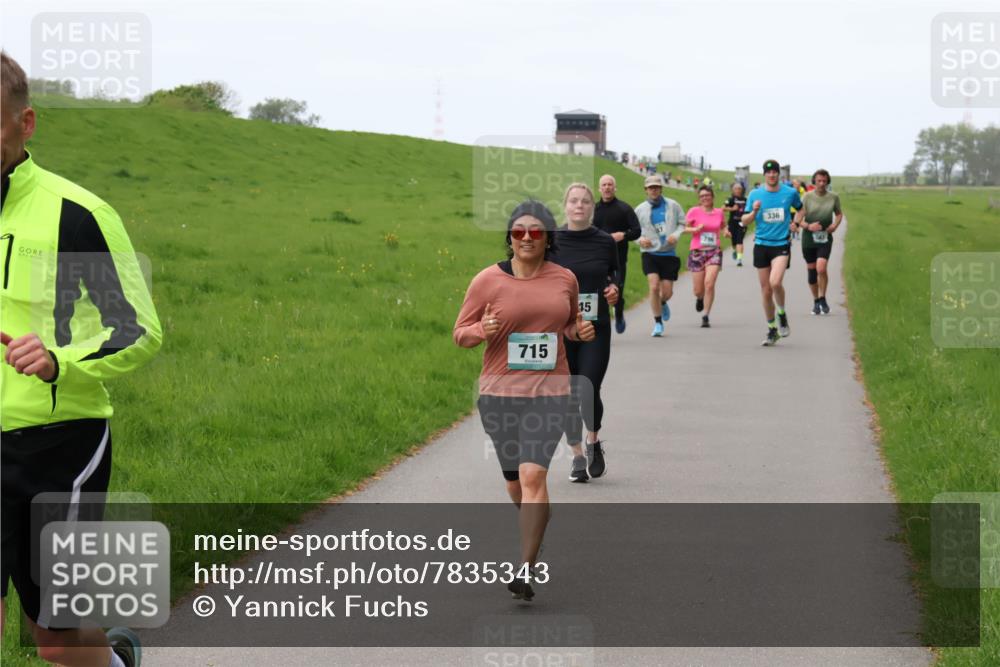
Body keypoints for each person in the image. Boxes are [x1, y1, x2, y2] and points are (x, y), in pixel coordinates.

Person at [1, 51, 161, 667]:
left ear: (26, 123)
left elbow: (139, 331)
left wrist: (61, 360)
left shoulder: (79, 215)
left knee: (56, 635)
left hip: (58, 445)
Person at [454, 200, 595, 600]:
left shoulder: (564, 278)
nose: (528, 238)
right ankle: (536, 525)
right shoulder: (487, 281)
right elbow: (459, 334)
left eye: (536, 231)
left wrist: (577, 333)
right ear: (510, 237)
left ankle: (526, 568)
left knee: (535, 476)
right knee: (515, 482)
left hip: (550, 391)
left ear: (548, 236)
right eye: (519, 232)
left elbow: (570, 324)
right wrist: (482, 328)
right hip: (498, 394)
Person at [552, 183, 619, 483]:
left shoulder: (605, 242)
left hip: (595, 327)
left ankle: (593, 441)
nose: (579, 205)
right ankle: (578, 456)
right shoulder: (552, 241)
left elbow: (614, 276)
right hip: (559, 329)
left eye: (585, 202)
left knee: (588, 388)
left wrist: (615, 290)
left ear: (592, 207)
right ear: (565, 206)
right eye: (574, 201)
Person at [741, 159, 802, 346]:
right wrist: (754, 212)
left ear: (779, 174)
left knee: (775, 282)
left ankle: (782, 314)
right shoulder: (755, 194)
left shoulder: (790, 192)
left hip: (781, 244)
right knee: (766, 290)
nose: (772, 175)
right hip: (761, 245)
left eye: (775, 172)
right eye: (768, 172)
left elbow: (801, 209)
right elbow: (744, 220)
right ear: (764, 175)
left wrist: (796, 223)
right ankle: (772, 329)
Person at [635, 176, 685, 337]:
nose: (654, 190)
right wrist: (640, 240)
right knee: (654, 286)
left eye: (656, 187)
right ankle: (657, 323)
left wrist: (676, 235)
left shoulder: (673, 205)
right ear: (646, 190)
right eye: (650, 187)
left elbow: (682, 224)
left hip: (668, 253)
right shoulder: (640, 209)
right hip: (650, 254)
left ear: (661, 189)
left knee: (668, 292)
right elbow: (633, 231)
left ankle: (663, 302)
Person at [593, 174, 641, 334]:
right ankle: (601, 328)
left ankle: (619, 312)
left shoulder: (624, 208)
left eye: (610, 184)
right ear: (599, 189)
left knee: (616, 293)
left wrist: (623, 235)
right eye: (604, 185)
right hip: (597, 260)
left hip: (618, 261)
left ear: (615, 188)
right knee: (599, 295)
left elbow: (637, 231)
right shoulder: (593, 210)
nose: (607, 187)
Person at [794, 169, 843, 315]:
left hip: (825, 237)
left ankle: (822, 298)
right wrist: (808, 226)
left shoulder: (834, 197)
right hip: (809, 238)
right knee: (812, 271)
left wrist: (834, 225)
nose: (821, 184)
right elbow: (798, 218)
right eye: (819, 181)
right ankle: (815, 301)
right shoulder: (807, 197)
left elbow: (839, 214)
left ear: (828, 182)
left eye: (824, 181)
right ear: (814, 181)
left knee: (821, 268)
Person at [684, 186, 726, 328]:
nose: (705, 198)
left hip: (714, 251)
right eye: (702, 196)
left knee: (709, 283)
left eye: (707, 195)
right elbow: (683, 228)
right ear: (699, 199)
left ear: (712, 196)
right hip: (697, 252)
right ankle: (700, 298)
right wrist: (694, 229)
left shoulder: (719, 212)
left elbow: (723, 226)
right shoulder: (694, 211)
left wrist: (726, 231)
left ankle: (706, 315)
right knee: (698, 290)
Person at [723, 182, 748, 266]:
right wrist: (732, 209)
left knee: (739, 240)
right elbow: (723, 208)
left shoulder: (745, 199)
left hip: (742, 223)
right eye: (736, 188)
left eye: (739, 188)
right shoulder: (730, 199)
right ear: (732, 190)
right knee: (734, 242)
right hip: (732, 223)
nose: (737, 190)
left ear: (742, 190)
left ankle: (739, 259)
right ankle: (736, 251)